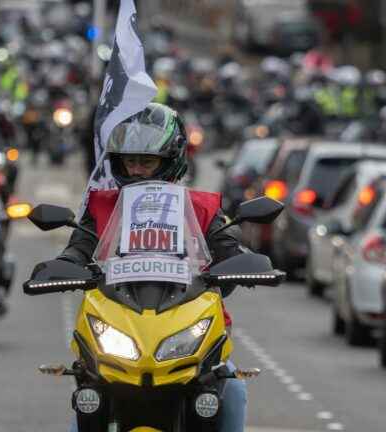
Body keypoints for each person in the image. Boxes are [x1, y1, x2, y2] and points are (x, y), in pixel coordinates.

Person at [58, 103, 247, 432]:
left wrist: (240, 263)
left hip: (188, 323)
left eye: (147, 161)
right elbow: (78, 248)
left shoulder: (204, 207)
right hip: (117, 321)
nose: (136, 170)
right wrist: (63, 266)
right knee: (88, 399)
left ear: (171, 158)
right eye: (130, 161)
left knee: (232, 391)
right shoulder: (99, 205)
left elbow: (229, 249)